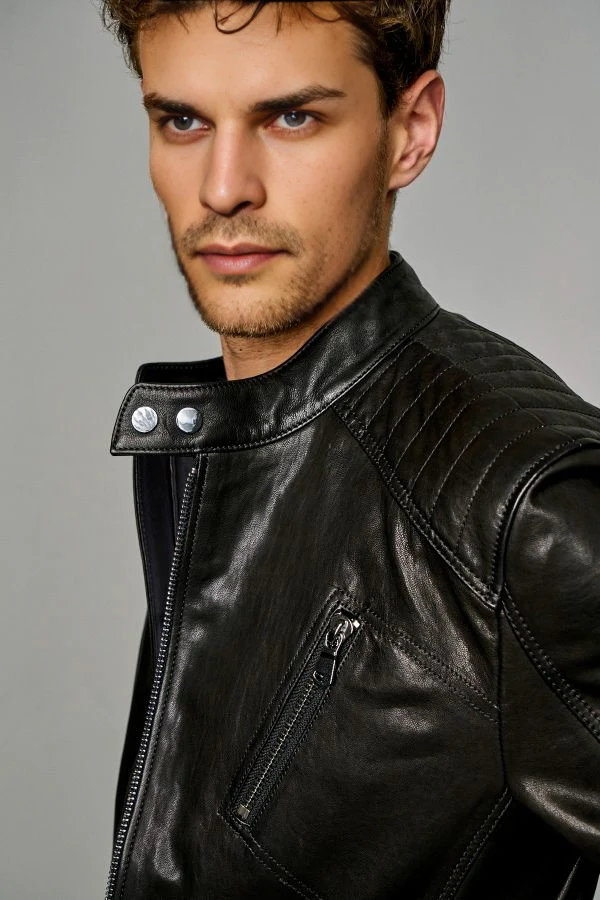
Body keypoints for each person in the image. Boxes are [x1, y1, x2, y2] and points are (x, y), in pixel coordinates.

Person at [101, 2, 600, 897]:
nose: (223, 188)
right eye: (182, 121)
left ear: (411, 131)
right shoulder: (238, 444)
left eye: (292, 117)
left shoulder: (525, 511)